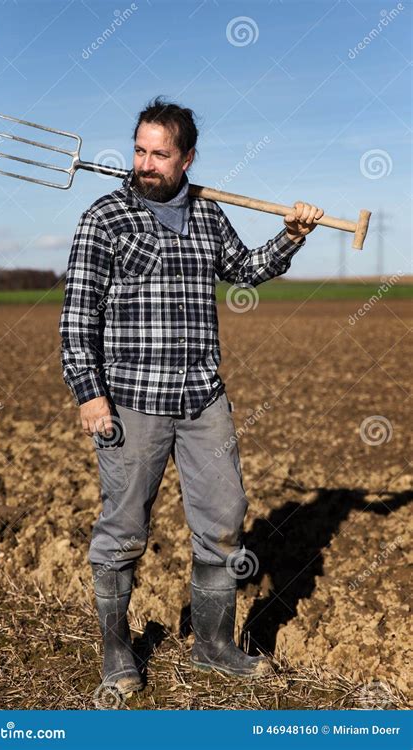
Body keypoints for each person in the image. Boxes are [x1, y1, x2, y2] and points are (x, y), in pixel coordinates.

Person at [58, 96, 324, 697]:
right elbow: (78, 317)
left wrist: (292, 235)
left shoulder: (208, 218)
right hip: (131, 401)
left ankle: (213, 645)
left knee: (225, 519)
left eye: (161, 154)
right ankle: (117, 652)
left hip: (204, 399)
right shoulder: (105, 217)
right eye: (139, 151)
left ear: (187, 159)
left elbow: (248, 269)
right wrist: (88, 394)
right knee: (123, 529)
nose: (146, 164)